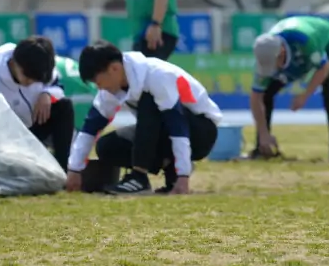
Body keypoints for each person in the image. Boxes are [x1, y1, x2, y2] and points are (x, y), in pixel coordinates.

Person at [66, 41, 222, 195]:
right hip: (166, 132)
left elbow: (177, 126)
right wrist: (74, 169)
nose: (99, 88)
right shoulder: (111, 89)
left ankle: (139, 177)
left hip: (200, 132)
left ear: (114, 68)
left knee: (148, 102)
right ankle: (169, 169)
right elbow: (90, 129)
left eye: (98, 82)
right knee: (107, 146)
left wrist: (183, 174)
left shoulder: (157, 75)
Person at [250, 15, 329, 160]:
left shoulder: (304, 41)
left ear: (282, 53)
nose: (271, 70)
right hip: (295, 55)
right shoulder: (265, 53)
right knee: (267, 94)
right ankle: (262, 147)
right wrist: (263, 133)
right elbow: (256, 97)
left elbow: (324, 68)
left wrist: (304, 95)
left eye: (273, 65)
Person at [0, 37, 74, 171]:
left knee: (64, 106)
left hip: (34, 129)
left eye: (36, 80)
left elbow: (57, 85)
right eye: (27, 78)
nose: (30, 83)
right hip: (5, 141)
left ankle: (62, 169)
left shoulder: (42, 65)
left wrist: (47, 94)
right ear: (14, 62)